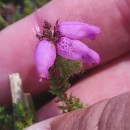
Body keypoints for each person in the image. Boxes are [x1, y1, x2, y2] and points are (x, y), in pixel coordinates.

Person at [0, 0, 130, 129]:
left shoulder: (61, 39)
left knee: (85, 51)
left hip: (62, 48)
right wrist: (42, 70)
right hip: (55, 58)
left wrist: (91, 34)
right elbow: (44, 60)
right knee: (82, 54)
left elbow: (82, 36)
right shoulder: (47, 45)